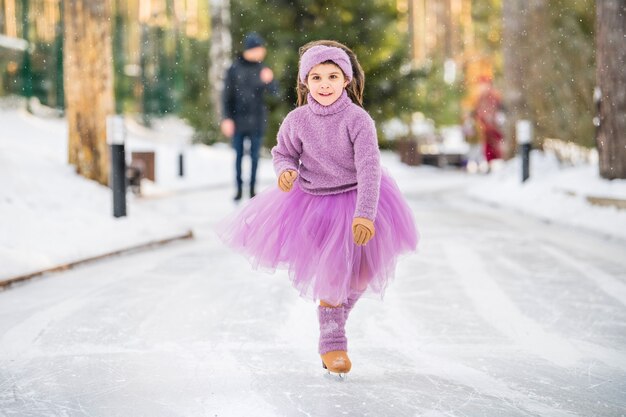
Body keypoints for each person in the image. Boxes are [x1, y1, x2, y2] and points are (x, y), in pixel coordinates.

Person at [217, 40, 418, 376]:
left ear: (346, 81)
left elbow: (369, 167)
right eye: (316, 78)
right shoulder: (297, 120)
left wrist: (365, 213)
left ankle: (335, 315)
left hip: (359, 197)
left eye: (332, 77)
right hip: (313, 205)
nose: (325, 84)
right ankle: (332, 341)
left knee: (364, 273)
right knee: (333, 274)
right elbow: (282, 153)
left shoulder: (358, 120)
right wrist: (285, 172)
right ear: (304, 83)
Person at [221, 32, 278, 200]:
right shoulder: (234, 69)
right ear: (251, 49)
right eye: (259, 49)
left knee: (254, 157)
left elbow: (275, 94)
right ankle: (238, 189)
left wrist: (270, 81)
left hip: (257, 120)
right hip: (238, 120)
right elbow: (226, 96)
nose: (262, 52)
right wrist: (226, 118)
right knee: (238, 156)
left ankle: (252, 189)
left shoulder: (263, 68)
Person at [473, 76, 505, 165]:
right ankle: (490, 162)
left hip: (493, 126)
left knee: (495, 144)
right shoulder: (481, 97)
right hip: (486, 127)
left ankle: (496, 161)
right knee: (488, 146)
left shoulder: (493, 96)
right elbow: (478, 111)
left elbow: (497, 110)